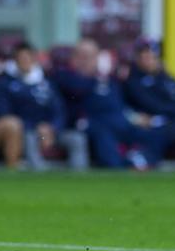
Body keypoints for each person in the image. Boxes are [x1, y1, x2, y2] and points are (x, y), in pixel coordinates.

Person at [55, 39, 165, 169]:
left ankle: (140, 162)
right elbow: (78, 89)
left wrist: (135, 117)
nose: (85, 60)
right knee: (104, 134)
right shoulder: (65, 76)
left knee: (156, 131)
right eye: (82, 55)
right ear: (73, 58)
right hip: (90, 123)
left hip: (120, 121)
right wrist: (99, 77)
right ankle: (117, 168)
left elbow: (122, 103)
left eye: (90, 56)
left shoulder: (110, 81)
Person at [0, 42, 88, 171]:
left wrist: (52, 128)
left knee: (77, 139)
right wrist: (36, 128)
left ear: (34, 59)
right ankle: (40, 175)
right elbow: (3, 114)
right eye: (21, 58)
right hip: (26, 131)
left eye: (28, 58)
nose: (25, 61)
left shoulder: (46, 83)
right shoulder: (4, 84)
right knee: (29, 139)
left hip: (50, 132)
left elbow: (59, 111)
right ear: (15, 60)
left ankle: (79, 176)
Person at [123, 41, 175, 152]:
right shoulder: (133, 82)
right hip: (152, 125)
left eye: (153, 57)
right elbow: (155, 106)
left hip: (173, 120)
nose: (149, 61)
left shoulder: (168, 79)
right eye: (145, 57)